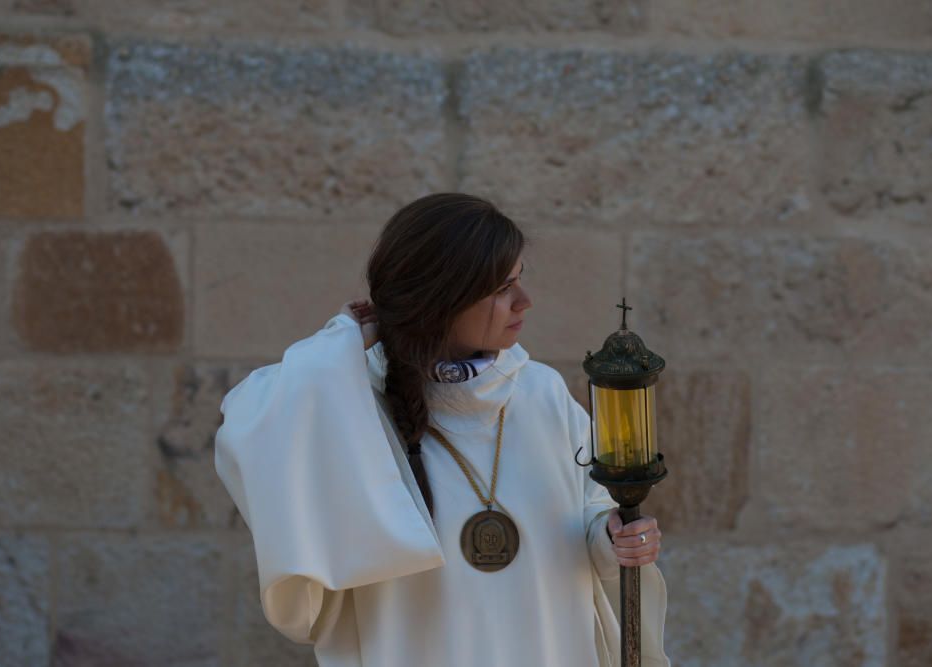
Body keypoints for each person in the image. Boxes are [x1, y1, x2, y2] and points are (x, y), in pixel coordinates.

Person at [214, 193, 671, 667]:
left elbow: (590, 516)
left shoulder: (541, 394)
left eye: (520, 281)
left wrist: (612, 537)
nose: (525, 302)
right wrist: (342, 341)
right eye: (501, 289)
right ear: (441, 298)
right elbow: (249, 420)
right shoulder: (352, 409)